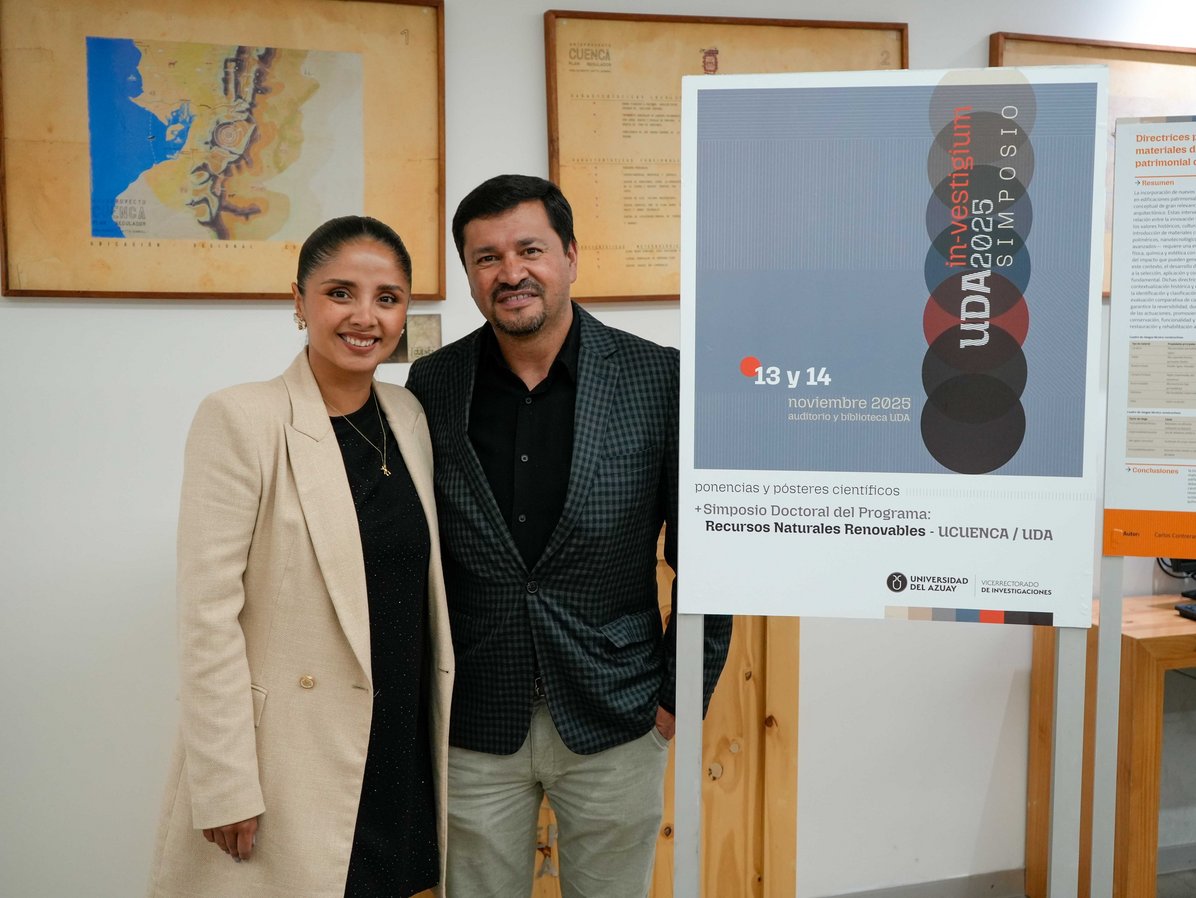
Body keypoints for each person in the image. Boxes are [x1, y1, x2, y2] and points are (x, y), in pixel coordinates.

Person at [406, 175, 732, 898]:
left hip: (619, 712)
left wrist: (678, 696)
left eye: (530, 249)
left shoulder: (659, 378)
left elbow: (707, 557)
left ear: (571, 256)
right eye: (486, 257)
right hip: (475, 718)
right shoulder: (432, 383)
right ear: (468, 274)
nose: (510, 272)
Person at [148, 216, 453, 898]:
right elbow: (207, 618)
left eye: (387, 298)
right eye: (340, 293)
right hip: (287, 756)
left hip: (397, 738)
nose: (365, 316)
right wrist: (223, 780)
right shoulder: (241, 418)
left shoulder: (408, 416)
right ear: (299, 301)